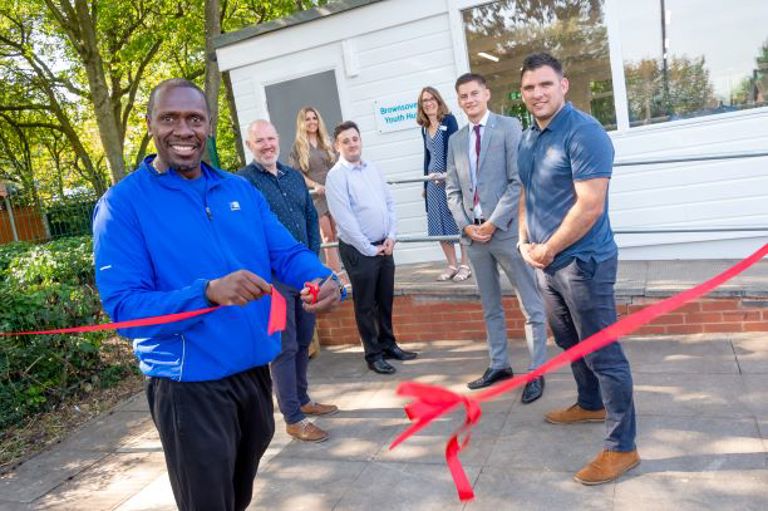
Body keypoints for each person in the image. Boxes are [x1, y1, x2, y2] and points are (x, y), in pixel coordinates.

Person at [92, 79, 342, 511]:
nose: (183, 130)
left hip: (251, 374)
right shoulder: (122, 204)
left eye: (194, 119)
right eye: (169, 118)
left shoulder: (239, 190)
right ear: (150, 124)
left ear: (209, 126)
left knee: (237, 497)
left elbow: (285, 252)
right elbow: (125, 311)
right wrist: (206, 294)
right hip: (188, 388)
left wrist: (323, 278)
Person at [516, 52, 639, 485]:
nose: (537, 94)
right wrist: (522, 238)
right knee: (569, 342)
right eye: (529, 88)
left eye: (545, 84)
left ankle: (622, 447)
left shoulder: (585, 133)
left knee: (604, 353)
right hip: (545, 261)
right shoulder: (529, 136)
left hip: (584, 264)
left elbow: (590, 206)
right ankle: (590, 403)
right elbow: (527, 192)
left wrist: (547, 248)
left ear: (563, 85)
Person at [444, 72, 548, 403]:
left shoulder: (508, 128)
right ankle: (499, 364)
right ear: (459, 101)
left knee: (530, 304)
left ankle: (537, 370)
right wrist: (467, 226)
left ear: (486, 94)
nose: (469, 100)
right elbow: (451, 190)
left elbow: (518, 181)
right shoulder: (456, 140)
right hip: (473, 237)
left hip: (503, 232)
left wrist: (492, 223)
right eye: (463, 96)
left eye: (474, 93)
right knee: (490, 306)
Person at [239, 119, 339, 444]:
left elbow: (311, 219)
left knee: (305, 339)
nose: (267, 145)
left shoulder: (294, 176)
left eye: (271, 138)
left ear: (277, 139)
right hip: (273, 279)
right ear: (249, 145)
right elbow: (247, 233)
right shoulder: (243, 183)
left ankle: (302, 398)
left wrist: (312, 265)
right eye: (259, 141)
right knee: (285, 345)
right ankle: (293, 417)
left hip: (303, 273)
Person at [325, 120, 418, 375]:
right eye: (346, 141)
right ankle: (373, 354)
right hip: (359, 251)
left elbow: (389, 204)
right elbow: (344, 219)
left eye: (355, 138)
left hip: (384, 246)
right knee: (365, 305)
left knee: (385, 300)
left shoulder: (373, 169)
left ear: (360, 140)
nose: (352, 144)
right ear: (337, 146)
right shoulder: (336, 176)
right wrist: (368, 248)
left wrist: (391, 236)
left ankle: (389, 345)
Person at [416, 86, 471, 282]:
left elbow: (456, 150)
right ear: (421, 105)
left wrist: (447, 174)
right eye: (424, 100)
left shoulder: (449, 120)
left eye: (432, 99)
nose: (429, 103)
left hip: (450, 179)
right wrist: (424, 185)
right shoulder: (424, 128)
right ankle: (451, 264)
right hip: (432, 183)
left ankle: (465, 265)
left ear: (438, 101)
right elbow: (427, 157)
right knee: (439, 224)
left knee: (458, 221)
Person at [289, 107, 343, 278]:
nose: (312, 122)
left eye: (314, 118)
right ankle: (335, 274)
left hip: (333, 193)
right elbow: (296, 173)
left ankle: (342, 270)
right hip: (316, 196)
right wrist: (315, 186)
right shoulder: (298, 147)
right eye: (308, 119)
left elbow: (339, 164)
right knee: (327, 236)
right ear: (302, 123)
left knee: (339, 234)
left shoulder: (328, 141)